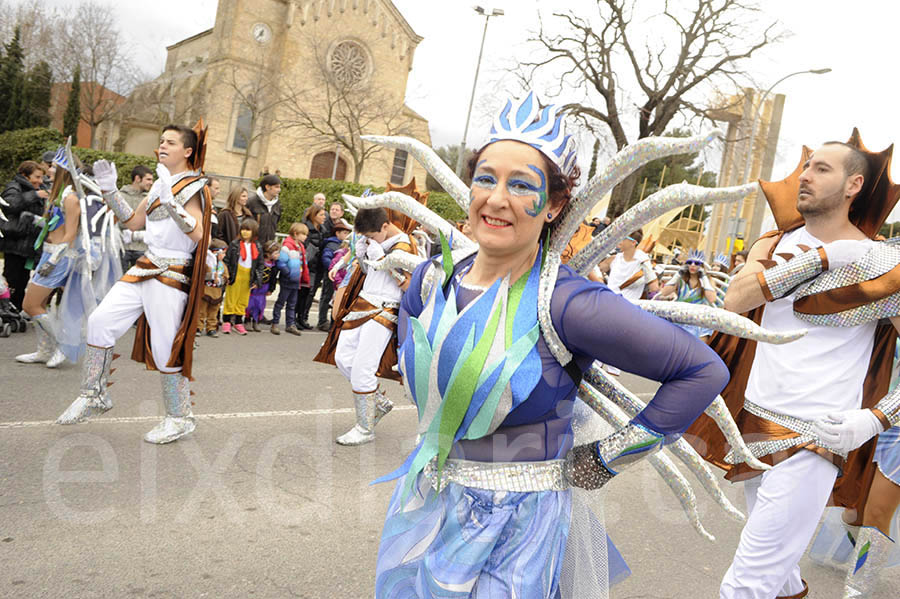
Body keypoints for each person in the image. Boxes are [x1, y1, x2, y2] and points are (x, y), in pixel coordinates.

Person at [369, 91, 730, 597]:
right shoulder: (430, 280)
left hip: (517, 534)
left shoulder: (566, 302)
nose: (496, 199)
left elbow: (702, 371)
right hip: (425, 506)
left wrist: (606, 458)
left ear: (555, 204)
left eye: (521, 185)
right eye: (486, 178)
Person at [685, 139, 900, 599]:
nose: (804, 176)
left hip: (816, 438)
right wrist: (822, 258)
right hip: (755, 425)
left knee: (746, 584)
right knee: (779, 577)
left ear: (853, 185)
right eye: (805, 166)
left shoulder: (882, 264)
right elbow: (736, 302)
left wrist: (874, 418)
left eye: (820, 169)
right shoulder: (775, 240)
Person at [56, 122, 213, 445]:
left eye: (171, 141)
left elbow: (198, 235)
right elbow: (132, 220)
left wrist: (173, 205)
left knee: (165, 347)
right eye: (161, 141)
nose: (163, 145)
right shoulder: (159, 185)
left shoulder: (194, 187)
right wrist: (110, 189)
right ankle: (94, 394)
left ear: (187, 151)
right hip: (144, 267)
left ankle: (179, 417)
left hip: (172, 273)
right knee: (100, 321)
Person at [15, 148, 121, 367]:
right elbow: (54, 226)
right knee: (39, 303)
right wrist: (34, 220)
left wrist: (53, 261)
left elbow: (71, 233)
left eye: (53, 166)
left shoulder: (71, 197)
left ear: (64, 169)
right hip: (48, 253)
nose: (48, 169)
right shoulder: (59, 193)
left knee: (30, 304)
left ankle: (63, 345)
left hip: (60, 257)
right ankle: (44, 351)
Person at [331, 207, 417, 446]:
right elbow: (370, 273)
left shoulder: (406, 246)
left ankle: (365, 427)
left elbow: (408, 285)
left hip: (385, 310)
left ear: (385, 226)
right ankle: (376, 401)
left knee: (363, 368)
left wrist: (385, 261)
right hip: (362, 304)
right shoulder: (375, 241)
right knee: (343, 357)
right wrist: (363, 257)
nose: (369, 240)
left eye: (372, 235)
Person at [0, 161, 48, 310]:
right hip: (15, 242)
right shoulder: (14, 187)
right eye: (37, 177)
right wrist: (34, 195)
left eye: (41, 178)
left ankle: (16, 309)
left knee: (23, 279)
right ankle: (5, 308)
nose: (40, 181)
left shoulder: (40, 189)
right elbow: (9, 204)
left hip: (28, 245)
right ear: (24, 175)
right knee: (11, 277)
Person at [657, 249, 718, 338]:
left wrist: (704, 278)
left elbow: (712, 299)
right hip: (678, 316)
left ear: (701, 266)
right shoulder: (682, 279)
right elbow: (664, 293)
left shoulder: (708, 281)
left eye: (697, 263)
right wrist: (677, 275)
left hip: (695, 319)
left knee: (704, 330)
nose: (692, 265)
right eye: (690, 262)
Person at [222, 218, 263, 335]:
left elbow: (260, 264)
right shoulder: (235, 244)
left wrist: (257, 280)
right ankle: (227, 322)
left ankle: (238, 322)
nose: (245, 232)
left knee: (243, 300)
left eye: (248, 230)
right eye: (243, 229)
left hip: (248, 276)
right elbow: (227, 260)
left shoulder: (257, 246)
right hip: (236, 274)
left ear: (254, 232)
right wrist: (227, 275)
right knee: (231, 298)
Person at [598, 228, 659, 302]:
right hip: (607, 302)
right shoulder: (614, 258)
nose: (619, 241)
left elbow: (654, 288)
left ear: (633, 243)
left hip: (627, 306)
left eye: (623, 238)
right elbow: (595, 270)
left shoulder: (642, 260)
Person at [272, 222, 309, 335]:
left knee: (292, 303)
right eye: (303, 234)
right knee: (281, 302)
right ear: (296, 233)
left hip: (296, 279)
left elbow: (303, 263)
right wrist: (288, 274)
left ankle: (290, 324)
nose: (305, 237)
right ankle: (275, 323)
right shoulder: (287, 247)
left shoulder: (301, 247)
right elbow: (281, 263)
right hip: (288, 279)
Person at [317, 217, 352, 331]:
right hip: (333, 278)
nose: (347, 235)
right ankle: (323, 321)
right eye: (345, 232)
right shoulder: (332, 244)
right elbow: (327, 259)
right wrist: (333, 271)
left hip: (340, 278)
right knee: (327, 298)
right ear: (337, 233)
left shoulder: (341, 246)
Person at [297, 204, 326, 330]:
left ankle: (303, 318)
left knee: (310, 293)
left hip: (317, 266)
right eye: (321, 215)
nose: (324, 217)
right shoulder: (306, 228)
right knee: (303, 293)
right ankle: (295, 317)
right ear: (314, 216)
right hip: (307, 265)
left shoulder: (323, 230)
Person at [119, 164, 154, 270]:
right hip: (122, 247)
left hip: (142, 248)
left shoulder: (150, 198)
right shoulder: (120, 196)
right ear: (137, 178)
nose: (151, 183)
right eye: (148, 179)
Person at [245, 240, 279, 331]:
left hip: (264, 287)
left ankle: (256, 321)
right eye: (276, 253)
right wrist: (253, 282)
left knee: (260, 305)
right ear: (268, 253)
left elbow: (274, 278)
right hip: (255, 287)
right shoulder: (259, 262)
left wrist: (271, 289)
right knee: (250, 304)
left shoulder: (274, 265)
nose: (278, 255)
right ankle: (247, 320)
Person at [198, 238, 228, 337]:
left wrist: (220, 280)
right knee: (201, 311)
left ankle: (211, 328)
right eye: (223, 253)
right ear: (215, 252)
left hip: (217, 292)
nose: (224, 255)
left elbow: (226, 277)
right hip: (206, 290)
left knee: (213, 312)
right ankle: (198, 327)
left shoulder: (222, 265)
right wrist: (210, 276)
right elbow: (201, 274)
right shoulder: (206, 264)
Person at [247, 174, 282, 245]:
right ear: (267, 187)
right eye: (276, 187)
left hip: (269, 247)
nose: (279, 190)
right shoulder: (251, 202)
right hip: (253, 245)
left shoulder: (277, 204)